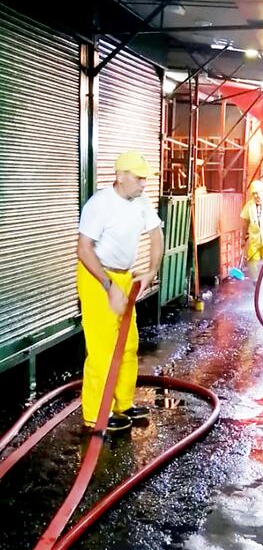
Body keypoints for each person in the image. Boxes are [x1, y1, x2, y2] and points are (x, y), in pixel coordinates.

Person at [77, 150, 164, 432]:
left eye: (144, 179)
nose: (143, 184)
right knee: (103, 349)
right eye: (139, 178)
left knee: (128, 344)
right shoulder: (100, 204)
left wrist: (151, 270)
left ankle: (122, 404)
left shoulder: (141, 200)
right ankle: (95, 416)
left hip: (124, 277)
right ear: (120, 176)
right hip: (97, 277)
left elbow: (156, 235)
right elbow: (83, 249)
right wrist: (108, 285)